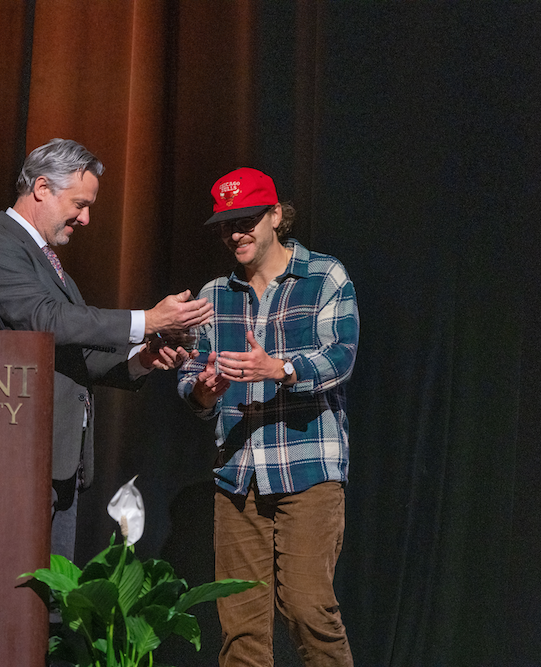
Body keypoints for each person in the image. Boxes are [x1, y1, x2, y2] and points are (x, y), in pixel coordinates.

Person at [0, 138, 212, 561]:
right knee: (20, 593)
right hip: (15, 453)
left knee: (52, 605)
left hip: (56, 458)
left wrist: (141, 358)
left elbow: (73, 351)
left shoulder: (42, 258)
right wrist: (147, 320)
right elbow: (48, 320)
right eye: (79, 203)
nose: (87, 218)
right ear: (41, 188)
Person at [177, 167, 359, 666]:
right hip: (238, 476)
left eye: (247, 220)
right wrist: (203, 389)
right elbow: (191, 373)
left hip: (307, 469)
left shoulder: (324, 276)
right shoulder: (214, 295)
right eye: (226, 224)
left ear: (276, 216)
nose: (236, 233)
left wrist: (280, 369)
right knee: (240, 628)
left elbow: (341, 356)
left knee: (307, 609)